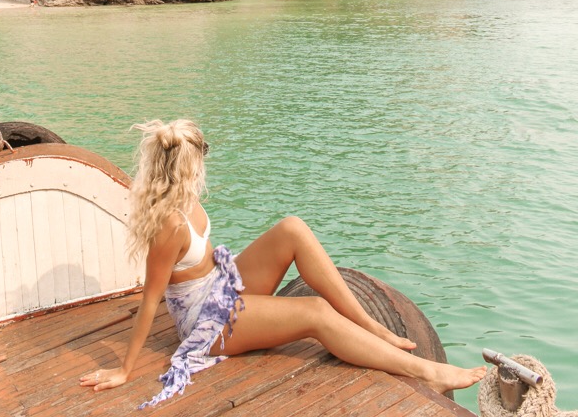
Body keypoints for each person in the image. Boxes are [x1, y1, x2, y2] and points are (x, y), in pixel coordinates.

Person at [80, 119, 486, 408]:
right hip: (207, 323)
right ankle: (426, 371)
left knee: (293, 229)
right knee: (314, 312)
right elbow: (151, 301)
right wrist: (124, 370)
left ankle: (372, 326)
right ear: (189, 166)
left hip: (219, 286)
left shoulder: (187, 201)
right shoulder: (169, 224)